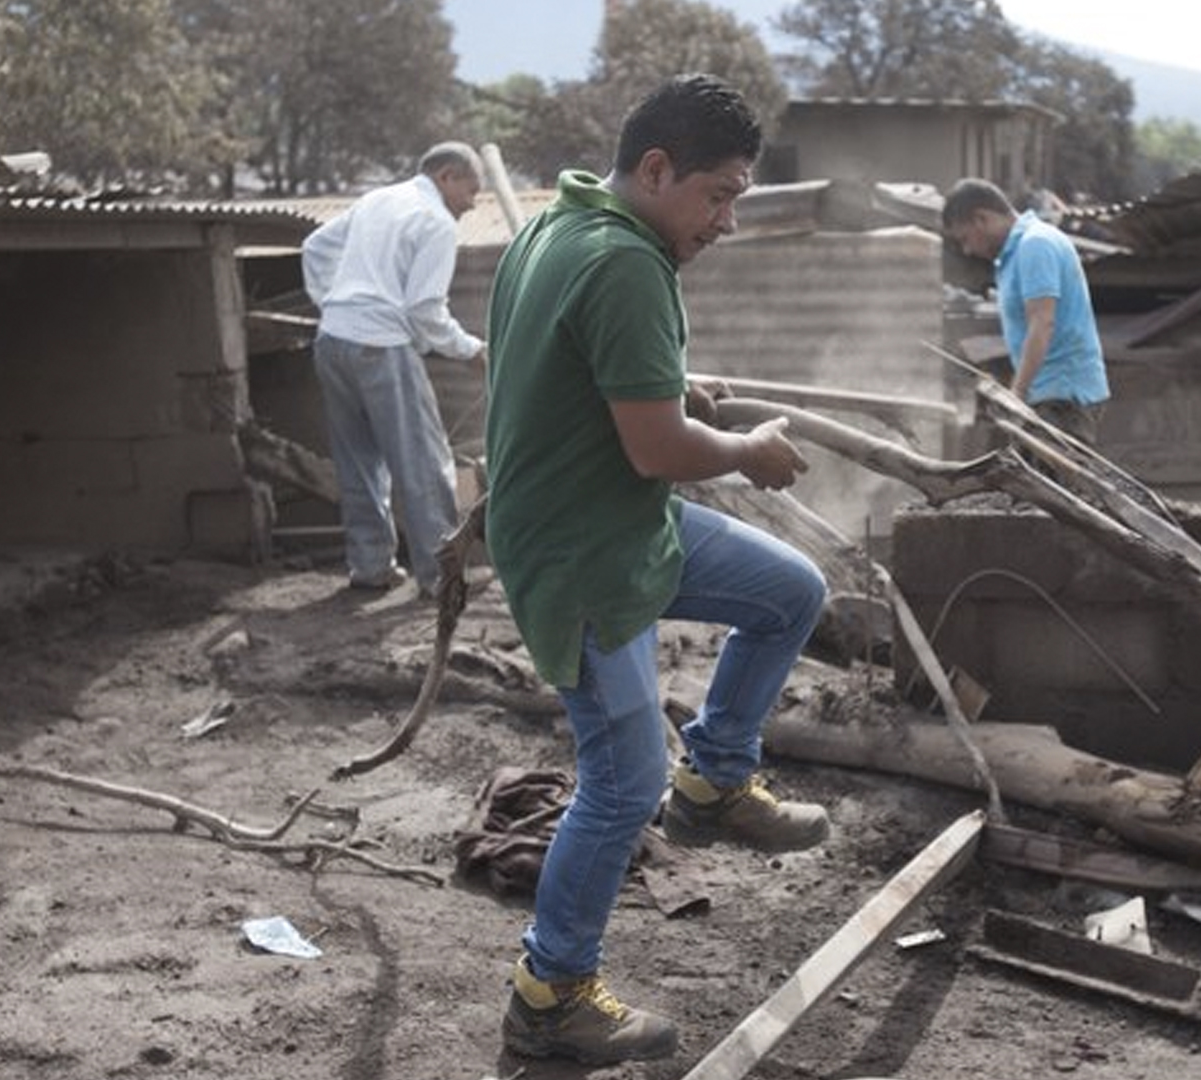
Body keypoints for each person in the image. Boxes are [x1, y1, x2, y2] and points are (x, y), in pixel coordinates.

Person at [484, 74, 831, 1066]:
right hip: (586, 553)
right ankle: (551, 995)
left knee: (791, 592)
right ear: (653, 169)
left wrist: (671, 384)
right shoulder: (630, 265)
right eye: (717, 195)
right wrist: (746, 450)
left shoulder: (558, 227)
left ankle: (717, 778)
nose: (725, 220)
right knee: (622, 783)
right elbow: (656, 452)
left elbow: (563, 361)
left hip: (617, 527)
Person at [301, 142, 488, 595]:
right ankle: (442, 577)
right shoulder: (437, 222)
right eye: (470, 189)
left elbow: (315, 247)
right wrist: (470, 350)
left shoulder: (378, 199)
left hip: (332, 342)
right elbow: (424, 309)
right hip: (380, 345)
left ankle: (369, 567)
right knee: (423, 462)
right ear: (446, 176)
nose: (472, 202)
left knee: (358, 461)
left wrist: (336, 303)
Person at [941, 178, 1110, 444]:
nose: (967, 249)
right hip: (1048, 395)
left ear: (981, 219)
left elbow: (1042, 323)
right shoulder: (1016, 252)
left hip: (1062, 399)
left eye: (965, 238)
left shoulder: (1035, 245)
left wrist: (1015, 395)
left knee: (1049, 484)